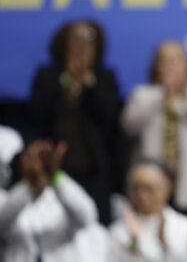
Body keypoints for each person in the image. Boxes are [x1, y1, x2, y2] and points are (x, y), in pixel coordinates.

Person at [28, 20, 121, 224]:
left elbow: (111, 118)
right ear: (64, 42)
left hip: (94, 171)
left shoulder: (104, 78)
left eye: (88, 39)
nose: (81, 45)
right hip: (55, 170)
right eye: (75, 38)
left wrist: (88, 83)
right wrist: (68, 80)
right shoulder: (48, 76)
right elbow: (38, 114)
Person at [121, 40, 187, 215]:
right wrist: (162, 94)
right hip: (152, 188)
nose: (169, 66)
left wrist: (185, 98)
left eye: (175, 60)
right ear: (156, 66)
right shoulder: (144, 94)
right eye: (164, 60)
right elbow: (129, 126)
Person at [0, 139, 100, 262]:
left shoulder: (63, 200)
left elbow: (87, 217)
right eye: (30, 157)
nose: (37, 165)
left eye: (44, 160)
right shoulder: (9, 198)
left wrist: (56, 176)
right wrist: (30, 188)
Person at [109, 160, 187, 262]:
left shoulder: (185, 227)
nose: (141, 195)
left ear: (165, 191)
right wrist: (134, 240)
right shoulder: (118, 229)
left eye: (148, 189)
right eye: (136, 188)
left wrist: (163, 242)